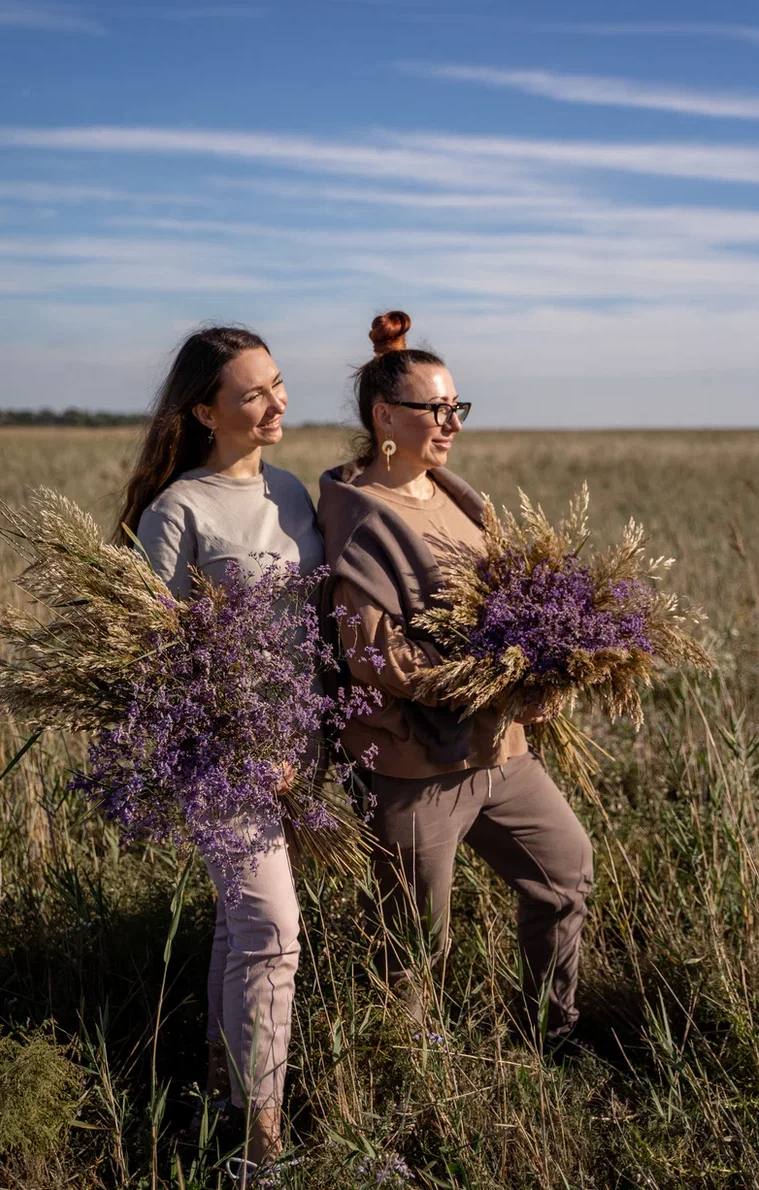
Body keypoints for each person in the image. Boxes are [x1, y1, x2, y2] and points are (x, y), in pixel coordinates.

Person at [317, 311, 593, 1046]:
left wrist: (547, 662)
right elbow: (377, 659)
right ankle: (402, 1078)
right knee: (414, 947)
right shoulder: (358, 519)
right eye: (436, 409)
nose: (452, 424)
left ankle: (549, 1038)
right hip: (417, 764)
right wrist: (492, 678)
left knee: (565, 876)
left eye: (456, 407)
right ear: (385, 416)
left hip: (501, 750)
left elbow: (511, 609)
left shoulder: (461, 501)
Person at [117, 325, 324, 1175]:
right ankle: (261, 1146)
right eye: (252, 394)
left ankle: (215, 1090)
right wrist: (239, 741)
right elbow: (148, 657)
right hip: (218, 753)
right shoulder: (178, 511)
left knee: (243, 932)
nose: (276, 403)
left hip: (300, 743)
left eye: (277, 384)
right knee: (273, 930)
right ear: (205, 411)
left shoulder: (294, 492)